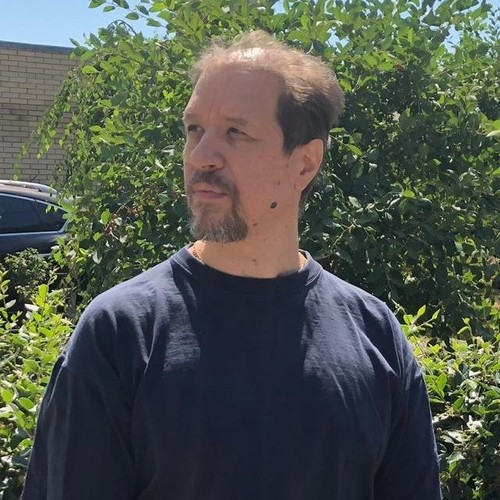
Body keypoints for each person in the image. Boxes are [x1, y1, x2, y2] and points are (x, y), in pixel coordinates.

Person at [23, 30, 441, 500]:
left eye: (235, 132)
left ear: (305, 164)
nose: (201, 156)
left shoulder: (375, 335)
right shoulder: (121, 333)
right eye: (194, 130)